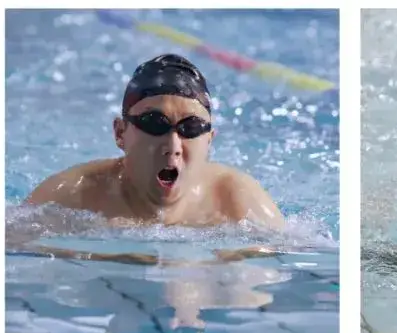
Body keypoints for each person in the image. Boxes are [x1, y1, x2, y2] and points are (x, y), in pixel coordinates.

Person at [26, 54, 285, 228]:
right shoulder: (68, 199)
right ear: (120, 133)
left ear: (209, 140)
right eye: (154, 123)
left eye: (191, 127)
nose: (173, 147)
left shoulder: (239, 206)